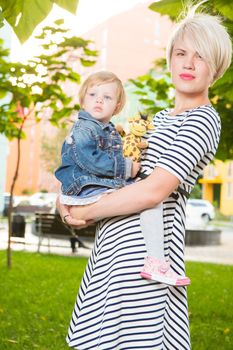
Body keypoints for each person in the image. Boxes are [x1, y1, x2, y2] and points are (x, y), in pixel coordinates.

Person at [57, 6, 232, 349]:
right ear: (170, 60)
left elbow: (154, 191)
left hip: (147, 265)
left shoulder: (203, 120)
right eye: (181, 53)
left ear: (218, 68)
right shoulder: (158, 119)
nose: (188, 63)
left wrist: (85, 212)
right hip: (111, 254)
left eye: (201, 56)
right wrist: (67, 202)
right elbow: (102, 170)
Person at [55, 70, 185, 286]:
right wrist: (127, 168)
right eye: (93, 94)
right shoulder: (84, 128)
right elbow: (90, 161)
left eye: (107, 97)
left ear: (117, 106)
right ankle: (155, 261)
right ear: (82, 100)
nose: (99, 100)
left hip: (92, 185)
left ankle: (154, 261)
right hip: (87, 187)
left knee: (148, 201)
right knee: (149, 201)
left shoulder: (108, 129)